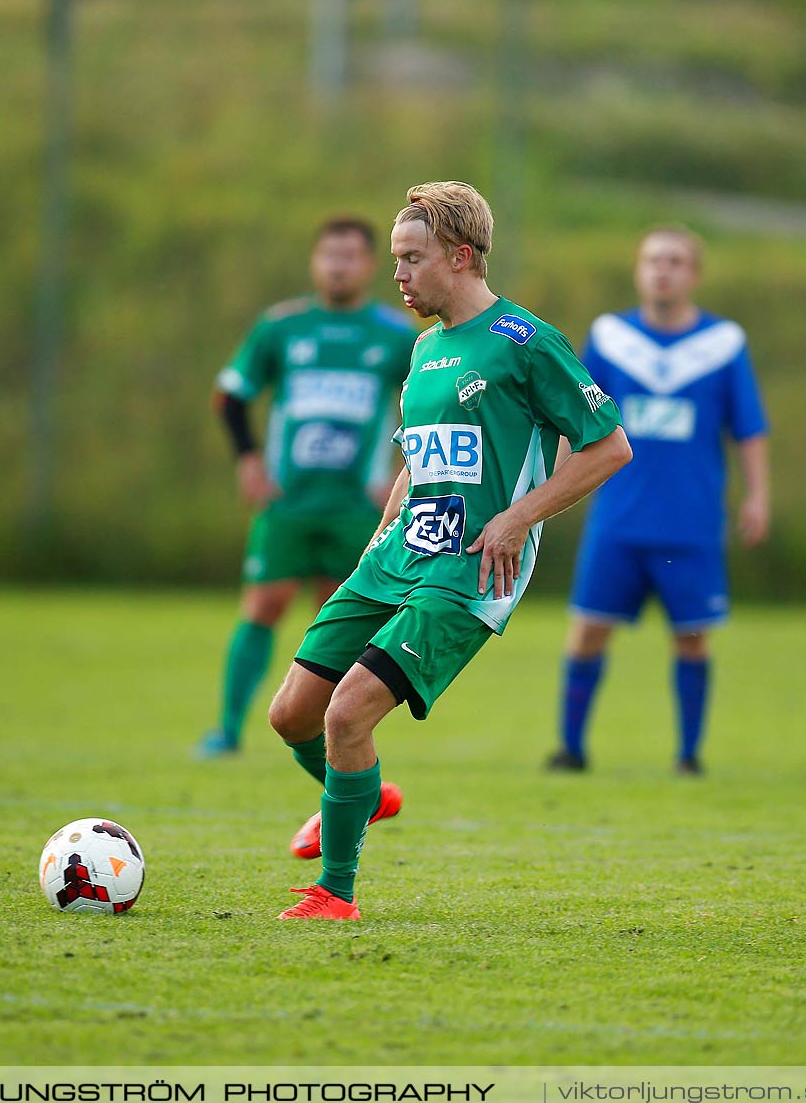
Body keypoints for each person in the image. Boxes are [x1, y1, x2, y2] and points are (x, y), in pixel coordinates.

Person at [263, 181, 632, 920]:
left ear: (461, 258)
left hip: (470, 568)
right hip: (395, 555)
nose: (396, 275)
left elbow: (609, 448)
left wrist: (518, 518)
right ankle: (365, 797)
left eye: (411, 259)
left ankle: (335, 892)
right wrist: (382, 534)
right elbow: (418, 461)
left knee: (347, 716)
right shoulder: (426, 348)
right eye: (395, 259)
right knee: (291, 716)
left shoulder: (525, 342)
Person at [549, 226, 770, 776]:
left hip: (691, 524)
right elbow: (572, 419)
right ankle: (571, 750)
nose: (662, 270)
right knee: (587, 630)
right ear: (638, 270)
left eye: (674, 261)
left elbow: (748, 427)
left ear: (693, 274)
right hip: (618, 521)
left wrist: (758, 496)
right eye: (652, 260)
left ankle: (688, 756)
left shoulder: (722, 343)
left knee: (693, 639)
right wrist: (545, 486)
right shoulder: (611, 337)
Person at [199, 217, 417, 758]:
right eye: (329, 254)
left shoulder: (395, 335)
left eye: (350, 256)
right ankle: (227, 730)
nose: (339, 265)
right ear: (315, 261)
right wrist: (249, 460)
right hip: (289, 501)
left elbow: (429, 406)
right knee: (263, 605)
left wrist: (401, 468)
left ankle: (338, 736)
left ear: (369, 266)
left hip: (357, 506)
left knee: (344, 617)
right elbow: (230, 395)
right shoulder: (282, 327)